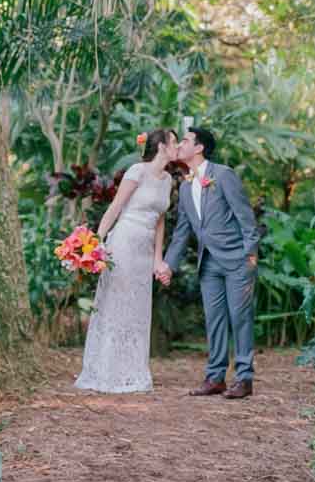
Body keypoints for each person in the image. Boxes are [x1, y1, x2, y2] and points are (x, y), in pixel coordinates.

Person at [157, 127, 260, 399]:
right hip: (208, 264)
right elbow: (182, 231)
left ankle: (244, 378)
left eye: (186, 140)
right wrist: (168, 264)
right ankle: (215, 378)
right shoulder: (187, 183)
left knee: (240, 319)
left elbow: (246, 217)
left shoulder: (223, 175)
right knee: (215, 320)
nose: (180, 145)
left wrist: (250, 256)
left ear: (199, 147)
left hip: (236, 260)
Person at [75, 128, 178, 393]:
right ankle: (105, 371)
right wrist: (94, 243)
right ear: (163, 147)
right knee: (116, 303)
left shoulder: (167, 179)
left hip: (145, 249)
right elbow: (115, 208)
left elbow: (160, 220)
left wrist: (158, 259)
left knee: (138, 308)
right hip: (124, 241)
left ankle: (132, 371)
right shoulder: (137, 171)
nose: (177, 146)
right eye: (174, 142)